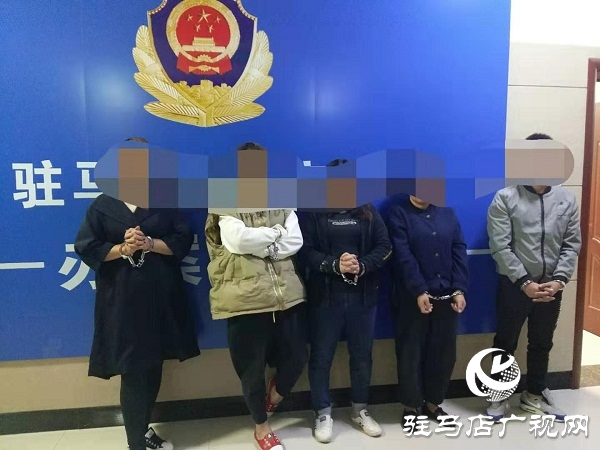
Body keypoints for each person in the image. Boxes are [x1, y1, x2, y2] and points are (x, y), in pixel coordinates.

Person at [74, 138, 200, 450]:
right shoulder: (103, 205)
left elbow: (182, 241)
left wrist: (148, 244)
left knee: (154, 364)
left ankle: (142, 431)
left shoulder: (165, 200)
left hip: (160, 298)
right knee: (132, 370)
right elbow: (87, 247)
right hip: (121, 301)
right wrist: (123, 248)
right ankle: (136, 443)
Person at [204, 142, 308, 450]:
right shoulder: (224, 197)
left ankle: (275, 395)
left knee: (298, 357)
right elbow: (237, 241)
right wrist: (276, 235)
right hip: (244, 299)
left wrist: (264, 243)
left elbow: (296, 240)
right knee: (251, 370)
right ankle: (261, 428)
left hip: (286, 295)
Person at [486, 133, 581, 421]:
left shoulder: (566, 199)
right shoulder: (505, 198)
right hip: (515, 286)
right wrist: (525, 282)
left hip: (551, 286)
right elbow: (500, 247)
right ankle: (499, 395)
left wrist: (560, 280)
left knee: (542, 343)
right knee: (506, 342)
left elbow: (571, 244)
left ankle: (534, 394)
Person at [296, 159, 393, 443]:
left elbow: (385, 246)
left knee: (362, 356)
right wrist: (334, 264)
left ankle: (359, 409)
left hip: (363, 297)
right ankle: (323, 412)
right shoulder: (312, 212)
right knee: (321, 357)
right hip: (325, 298)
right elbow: (304, 251)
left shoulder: (368, 210)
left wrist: (361, 265)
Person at [385, 193, 469, 426]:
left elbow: (459, 250)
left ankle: (433, 403)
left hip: (446, 296)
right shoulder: (398, 214)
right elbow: (403, 256)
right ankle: (411, 406)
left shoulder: (447, 213)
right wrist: (419, 289)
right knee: (410, 353)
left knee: (443, 354)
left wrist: (459, 288)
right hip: (412, 297)